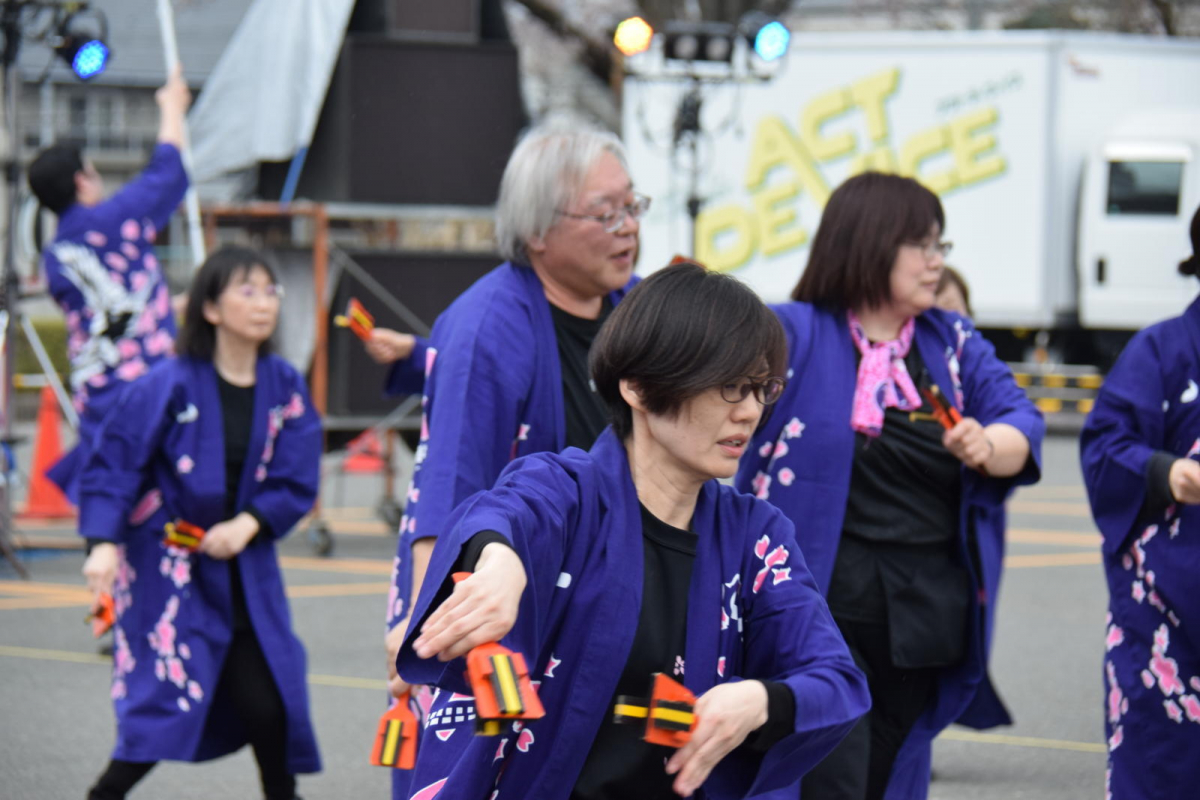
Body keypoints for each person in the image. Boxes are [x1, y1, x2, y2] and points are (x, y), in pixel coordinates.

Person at [396, 262, 870, 799]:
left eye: (762, 389)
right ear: (639, 389)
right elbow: (499, 515)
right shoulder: (567, 489)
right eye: (729, 388)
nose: (750, 413)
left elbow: (836, 678)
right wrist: (500, 563)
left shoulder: (755, 535)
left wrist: (760, 700)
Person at [735, 172, 1044, 800]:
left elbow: (1024, 422)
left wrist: (989, 445)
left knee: (894, 772)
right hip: (821, 603)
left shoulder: (951, 344)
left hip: (925, 612)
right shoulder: (792, 331)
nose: (937, 263)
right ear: (872, 244)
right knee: (830, 773)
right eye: (923, 246)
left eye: (941, 247)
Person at [380, 122, 647, 792]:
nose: (627, 227)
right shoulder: (485, 326)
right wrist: (421, 622)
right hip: (505, 589)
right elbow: (446, 486)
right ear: (536, 232)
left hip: (614, 587)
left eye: (632, 206)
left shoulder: (638, 309)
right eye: (604, 212)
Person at [78, 247, 322, 800]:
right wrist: (102, 543)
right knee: (158, 704)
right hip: (172, 573)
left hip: (246, 573)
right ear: (210, 308)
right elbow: (115, 461)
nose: (263, 304)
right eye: (247, 291)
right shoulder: (167, 381)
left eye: (270, 291)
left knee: (272, 706)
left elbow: (297, 473)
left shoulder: (283, 384)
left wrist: (250, 522)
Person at [27, 66, 192, 503]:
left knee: (112, 503)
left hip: (97, 390)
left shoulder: (55, 255)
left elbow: (107, 312)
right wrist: (171, 107)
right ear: (82, 181)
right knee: (162, 503)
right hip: (149, 389)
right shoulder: (113, 222)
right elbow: (167, 171)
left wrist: (173, 305)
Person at [1079, 204, 1200, 800]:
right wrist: (1168, 472)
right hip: (1168, 607)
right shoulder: (1161, 349)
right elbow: (1105, 446)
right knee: (1161, 763)